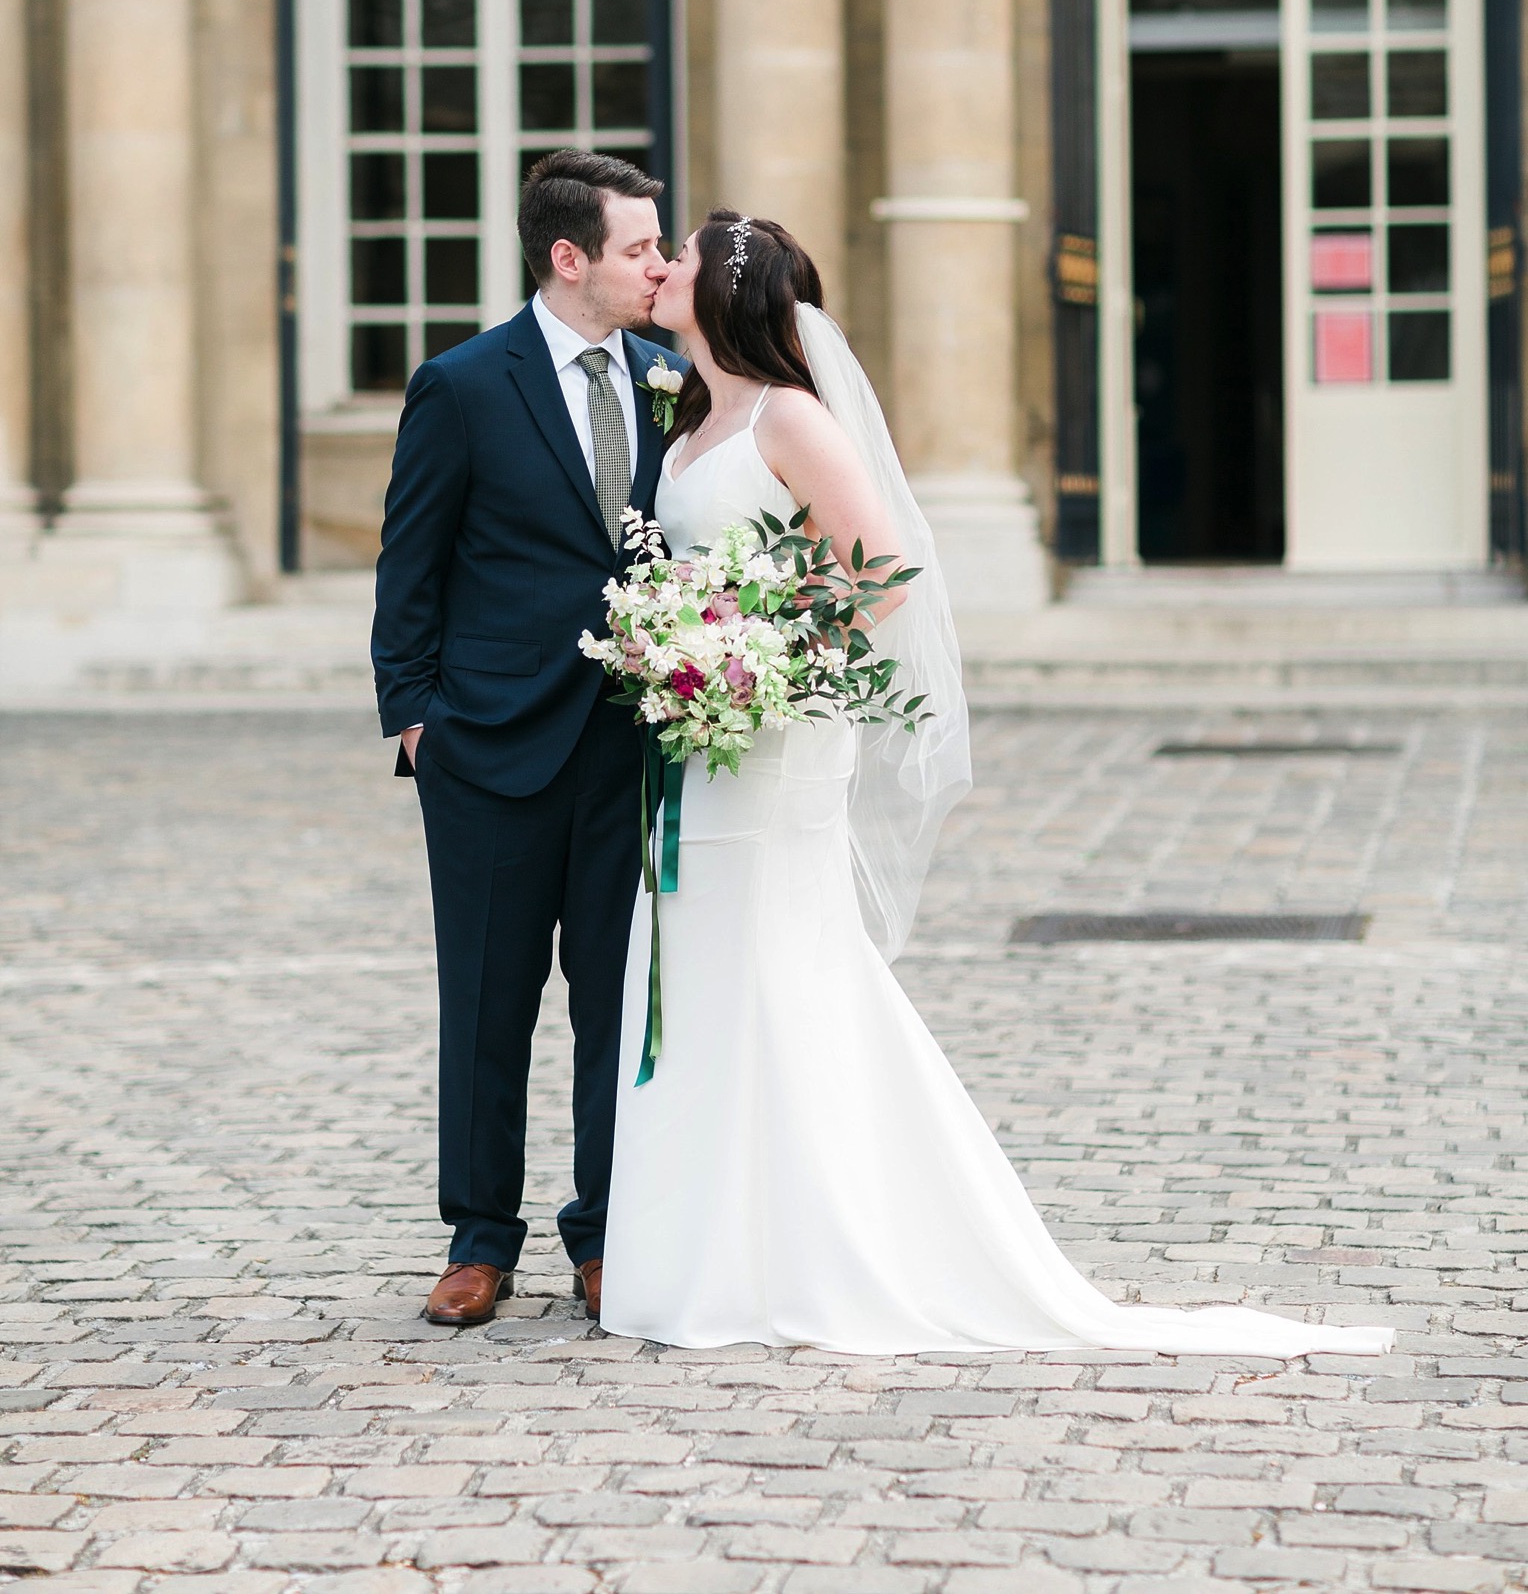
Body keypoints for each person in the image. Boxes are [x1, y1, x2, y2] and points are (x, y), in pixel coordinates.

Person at [597, 208, 1394, 1358]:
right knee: (703, 964)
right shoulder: (684, 415)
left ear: (721, 292)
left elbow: (883, 576)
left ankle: (817, 1247)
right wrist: (680, 647)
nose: (659, 269)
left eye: (679, 258)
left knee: (779, 965)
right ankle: (707, 1251)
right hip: (698, 741)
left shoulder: (793, 418)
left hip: (774, 737)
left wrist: (755, 654)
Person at [371, 149, 678, 1330]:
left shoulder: (669, 380)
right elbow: (412, 562)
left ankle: (605, 1234)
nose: (659, 265)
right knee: (489, 1003)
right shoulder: (462, 383)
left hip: (628, 746)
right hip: (487, 747)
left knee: (616, 1005)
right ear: (570, 258)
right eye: (640, 247)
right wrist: (414, 720)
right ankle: (477, 1240)